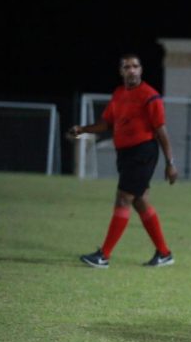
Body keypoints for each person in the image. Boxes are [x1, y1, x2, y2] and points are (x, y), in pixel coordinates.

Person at [70, 53, 178, 268]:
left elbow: (161, 131)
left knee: (123, 199)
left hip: (143, 152)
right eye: (127, 67)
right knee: (140, 202)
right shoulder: (119, 94)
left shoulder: (150, 96)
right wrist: (82, 129)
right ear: (121, 71)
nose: (132, 70)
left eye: (135, 66)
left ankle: (104, 256)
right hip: (126, 155)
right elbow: (106, 124)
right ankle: (164, 253)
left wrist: (170, 163)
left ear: (141, 70)